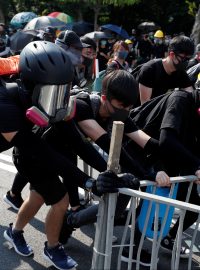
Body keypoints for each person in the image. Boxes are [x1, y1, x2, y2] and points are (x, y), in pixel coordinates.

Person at [1, 41, 78, 270]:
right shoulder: (5, 102)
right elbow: (37, 149)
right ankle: (52, 247)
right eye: (50, 92)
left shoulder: (31, 90)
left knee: (37, 195)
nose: (56, 102)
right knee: (61, 201)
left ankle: (14, 233)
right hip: (27, 149)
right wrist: (87, 180)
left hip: (28, 149)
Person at [129, 88, 200, 257]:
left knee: (193, 206)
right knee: (146, 207)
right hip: (144, 154)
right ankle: (132, 249)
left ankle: (168, 238)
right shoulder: (180, 99)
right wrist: (197, 165)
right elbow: (166, 140)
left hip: (170, 160)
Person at [137, 35, 195, 104]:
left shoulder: (179, 72)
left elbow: (192, 95)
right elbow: (145, 105)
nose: (186, 62)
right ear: (172, 54)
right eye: (183, 58)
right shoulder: (149, 70)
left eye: (188, 59)